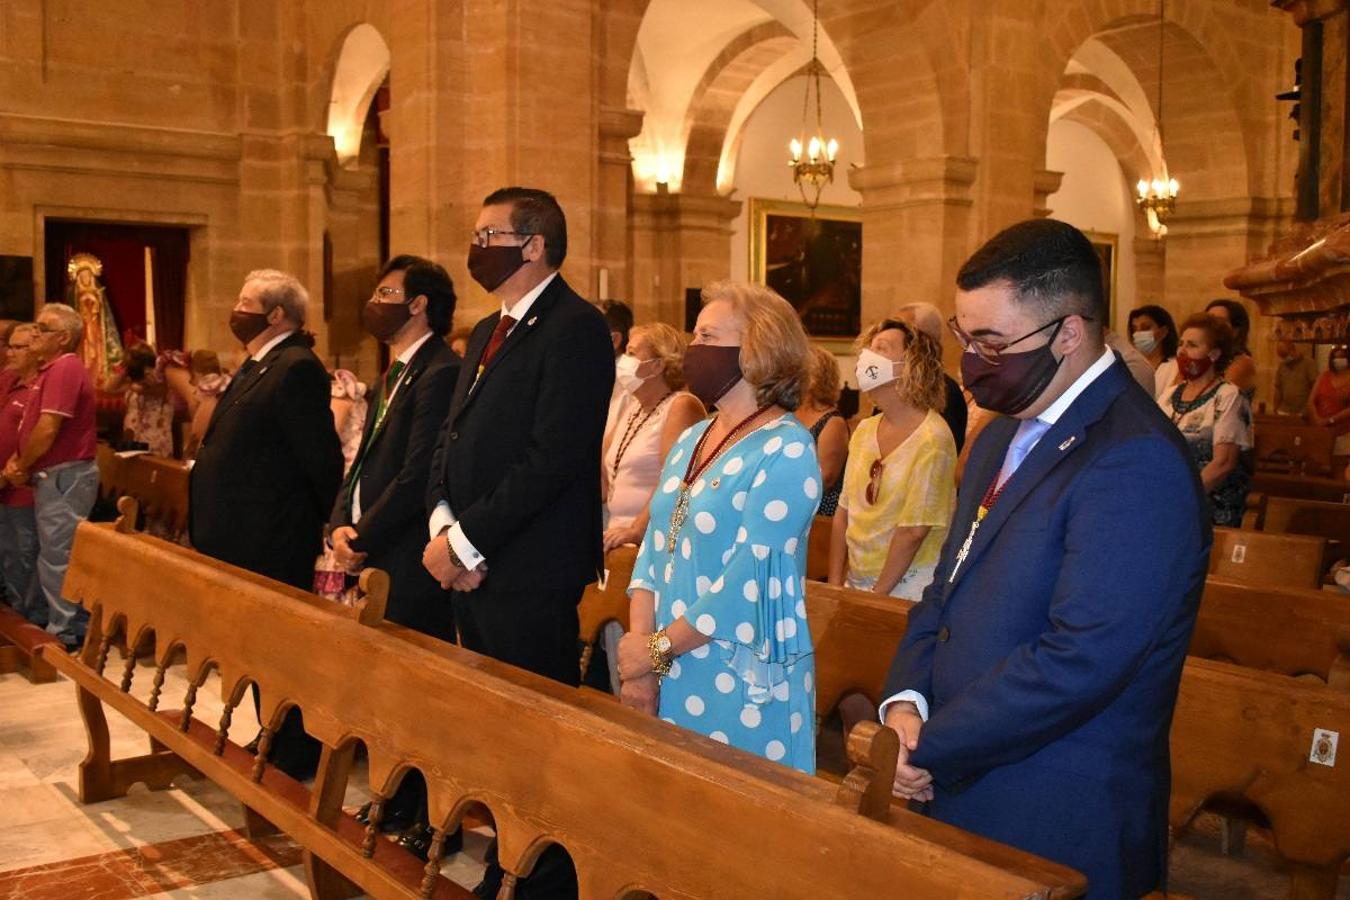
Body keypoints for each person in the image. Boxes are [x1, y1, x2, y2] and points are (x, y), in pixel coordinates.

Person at [882, 219, 1209, 899]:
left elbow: (1082, 657)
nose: (970, 359)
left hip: (1054, 810)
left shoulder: (1134, 458)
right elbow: (945, 588)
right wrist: (904, 702)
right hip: (962, 781)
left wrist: (931, 746)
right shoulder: (1000, 437)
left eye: (992, 342)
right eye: (963, 336)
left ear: (1069, 332)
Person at [422, 187, 613, 899]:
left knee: (536, 741)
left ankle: (542, 879)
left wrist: (470, 543)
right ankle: (505, 863)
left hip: (530, 570)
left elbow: (553, 456)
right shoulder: (484, 330)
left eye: (488, 233)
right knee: (491, 733)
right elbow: (452, 437)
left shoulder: (576, 328)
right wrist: (445, 529)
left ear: (533, 245)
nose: (476, 247)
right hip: (474, 561)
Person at [617, 280, 820, 775]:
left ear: (757, 350)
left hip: (742, 677)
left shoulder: (786, 449)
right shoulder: (692, 438)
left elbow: (747, 586)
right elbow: (653, 553)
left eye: (708, 337)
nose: (693, 349)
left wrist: (653, 652)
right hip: (672, 662)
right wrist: (644, 661)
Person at [326, 255, 461, 859]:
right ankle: (394, 796)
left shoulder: (440, 370)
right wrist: (339, 522)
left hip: (410, 555)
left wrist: (366, 535)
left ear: (419, 305)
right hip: (380, 548)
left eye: (388, 292)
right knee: (387, 688)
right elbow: (364, 459)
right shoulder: (393, 374)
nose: (374, 302)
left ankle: (431, 815)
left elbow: (415, 475)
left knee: (419, 692)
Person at [189, 269, 343, 779]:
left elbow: (321, 459)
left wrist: (318, 520)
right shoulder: (261, 363)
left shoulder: (296, 366)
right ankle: (273, 729)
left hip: (272, 537)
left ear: (276, 314)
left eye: (245, 300)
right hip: (242, 535)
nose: (236, 309)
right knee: (255, 646)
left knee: (280, 648)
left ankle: (296, 744)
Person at [829, 319, 954, 600]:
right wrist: (835, 585)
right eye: (869, 348)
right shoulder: (864, 430)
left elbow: (914, 531)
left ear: (911, 364)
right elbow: (843, 512)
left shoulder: (933, 438)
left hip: (907, 587)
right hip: (856, 580)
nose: (867, 358)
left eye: (881, 348)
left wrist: (876, 596)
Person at [2, 304, 101, 652]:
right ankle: (59, 622)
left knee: (59, 554)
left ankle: (66, 632)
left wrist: (23, 466)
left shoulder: (65, 367)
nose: (34, 334)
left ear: (62, 338)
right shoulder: (51, 369)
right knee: (52, 553)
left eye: (42, 329)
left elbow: (48, 428)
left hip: (65, 474)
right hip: (54, 473)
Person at [602, 322, 705, 548]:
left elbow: (675, 478)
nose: (624, 361)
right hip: (616, 534)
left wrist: (636, 530)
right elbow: (604, 474)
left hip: (653, 539)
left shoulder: (680, 406)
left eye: (632, 353)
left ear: (657, 365)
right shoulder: (633, 409)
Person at [1158, 314, 1253, 528]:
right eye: (1181, 344)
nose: (1182, 351)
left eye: (1192, 345)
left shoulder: (1228, 396)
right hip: (1168, 501)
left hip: (1210, 507)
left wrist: (1180, 500)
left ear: (1213, 354)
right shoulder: (1170, 394)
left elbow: (1223, 463)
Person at [0, 324, 43, 625]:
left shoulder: (41, 386)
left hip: (20, 484)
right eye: (9, 345)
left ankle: (26, 622)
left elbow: (36, 438)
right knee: (7, 552)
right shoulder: (8, 379)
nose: (9, 352)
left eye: (18, 347)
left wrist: (8, 472)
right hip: (3, 483)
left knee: (22, 554)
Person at [895, 302, 965, 452]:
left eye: (902, 331)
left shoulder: (944, 390)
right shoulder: (894, 385)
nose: (892, 336)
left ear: (925, 341)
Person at [794, 344, 847, 518]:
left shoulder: (832, 422)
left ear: (816, 376)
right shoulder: (791, 412)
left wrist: (788, 502)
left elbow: (826, 479)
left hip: (818, 515)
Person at [115, 341, 175, 456]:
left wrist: (143, 379)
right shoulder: (132, 381)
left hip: (156, 446)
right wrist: (126, 369)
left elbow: (158, 391)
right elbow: (109, 387)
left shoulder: (161, 380)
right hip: (132, 443)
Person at [1307, 345, 1350, 470]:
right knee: (1314, 465)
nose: (1338, 360)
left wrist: (1330, 420)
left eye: (1342, 357)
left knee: (1338, 469)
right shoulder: (1324, 376)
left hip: (1343, 431)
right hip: (1321, 430)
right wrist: (1317, 419)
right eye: (1335, 358)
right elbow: (1311, 401)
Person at [1205, 299, 1257, 400]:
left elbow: (1219, 400)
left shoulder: (1242, 362)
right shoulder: (1206, 358)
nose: (1211, 327)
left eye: (1219, 321)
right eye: (1207, 321)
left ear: (1236, 330)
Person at [1127, 304, 1179, 397]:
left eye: (1145, 328)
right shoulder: (1130, 364)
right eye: (1134, 329)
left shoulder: (1175, 367)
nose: (1138, 333)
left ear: (1163, 331)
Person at [1274, 339, 1319, 416]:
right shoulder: (1282, 366)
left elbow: (1315, 387)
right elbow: (1278, 388)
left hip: (1302, 411)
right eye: (1282, 356)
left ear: (1292, 350)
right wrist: (1275, 408)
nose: (1284, 358)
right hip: (1284, 410)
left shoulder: (1308, 363)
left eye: (1285, 355)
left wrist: (1310, 409)